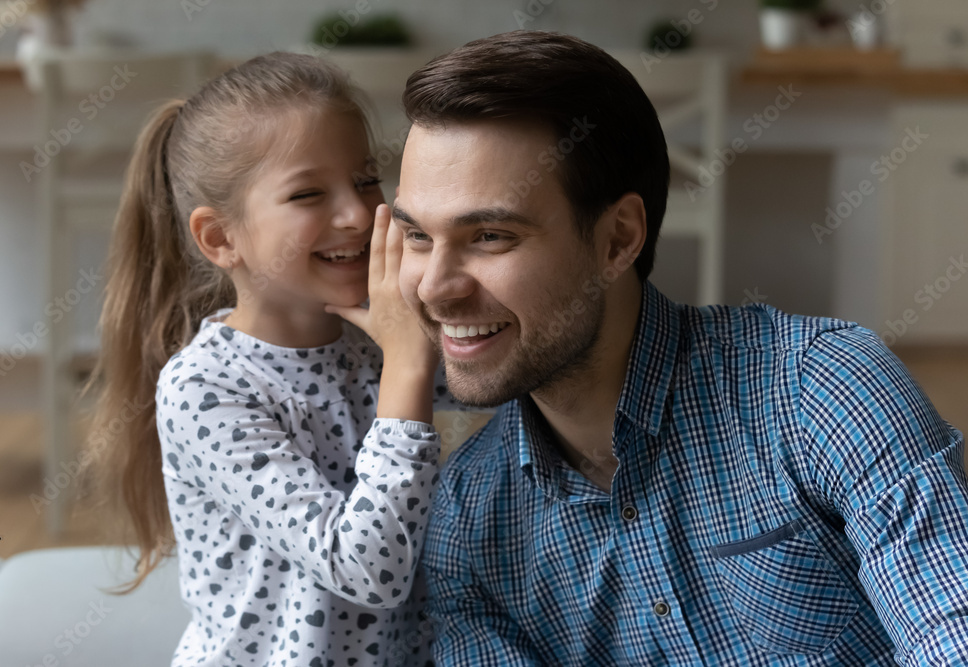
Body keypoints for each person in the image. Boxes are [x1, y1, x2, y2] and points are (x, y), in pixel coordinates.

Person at [393, 31, 968, 665]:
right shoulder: (471, 521)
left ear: (617, 240)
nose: (436, 288)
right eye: (418, 235)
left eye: (491, 235)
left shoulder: (819, 388)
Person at [84, 52, 451, 666]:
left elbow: (502, 382)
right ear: (221, 239)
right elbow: (364, 570)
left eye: (366, 179)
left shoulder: (375, 340)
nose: (360, 214)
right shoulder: (206, 387)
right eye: (308, 193)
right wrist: (409, 367)